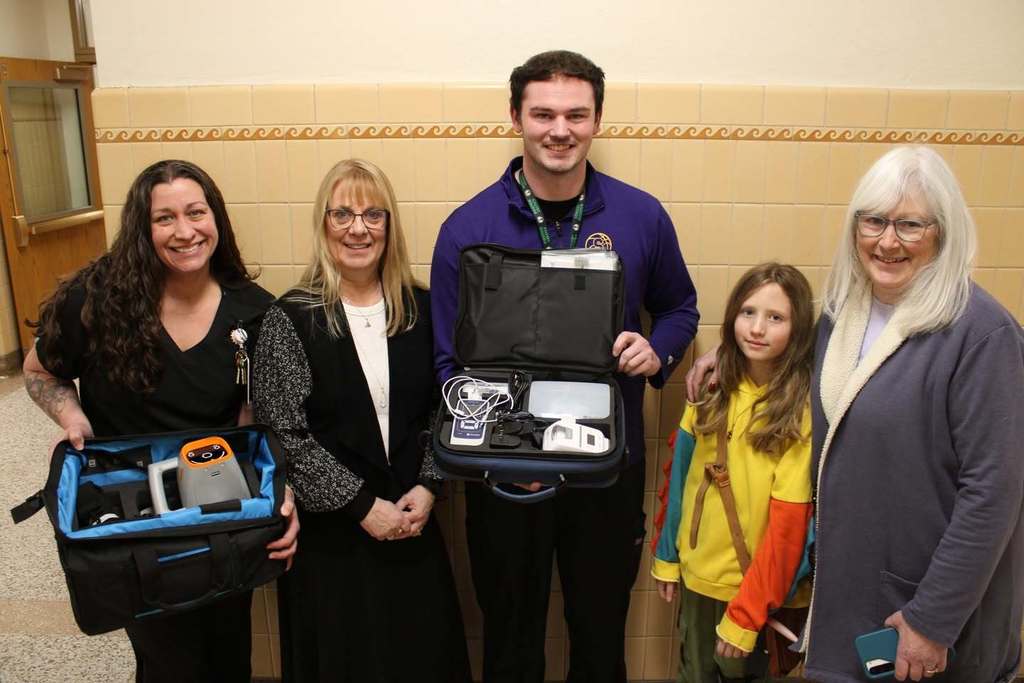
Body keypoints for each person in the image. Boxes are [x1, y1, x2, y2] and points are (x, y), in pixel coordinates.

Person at [686, 146, 1024, 683]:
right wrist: (723, 356)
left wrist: (932, 620)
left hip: (927, 616)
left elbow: (994, 494)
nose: (888, 241)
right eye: (874, 221)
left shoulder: (982, 335)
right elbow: (792, 362)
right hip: (851, 602)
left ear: (944, 232)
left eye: (910, 224)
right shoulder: (843, 315)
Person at [430, 50, 700, 682]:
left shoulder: (640, 216)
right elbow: (448, 362)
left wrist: (656, 350)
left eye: (576, 114)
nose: (560, 129)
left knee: (600, 632)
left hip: (605, 470)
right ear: (516, 118)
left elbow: (680, 308)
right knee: (510, 635)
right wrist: (502, 450)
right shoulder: (467, 228)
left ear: (597, 120)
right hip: (502, 474)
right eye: (543, 113)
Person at [23, 159, 299, 683]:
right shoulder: (95, 300)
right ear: (142, 229)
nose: (185, 231)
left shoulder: (254, 312)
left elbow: (256, 423)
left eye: (196, 212)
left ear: (215, 217)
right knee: (170, 660)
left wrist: (280, 497)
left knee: (227, 654)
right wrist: (71, 413)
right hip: (134, 524)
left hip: (221, 517)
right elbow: (39, 372)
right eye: (164, 218)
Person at [252, 158, 471, 683]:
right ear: (322, 224)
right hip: (332, 541)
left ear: (390, 226)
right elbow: (285, 432)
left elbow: (451, 404)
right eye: (342, 214)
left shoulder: (421, 309)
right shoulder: (292, 317)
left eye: (374, 214)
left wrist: (429, 486)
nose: (358, 228)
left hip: (411, 521)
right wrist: (360, 506)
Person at [652, 263, 814, 683]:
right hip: (697, 576)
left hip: (753, 591)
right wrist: (668, 556)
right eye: (748, 312)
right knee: (693, 671)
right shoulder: (708, 389)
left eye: (775, 318)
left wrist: (746, 615)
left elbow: (788, 528)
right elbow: (681, 480)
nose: (757, 328)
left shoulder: (798, 412)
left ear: (797, 330)